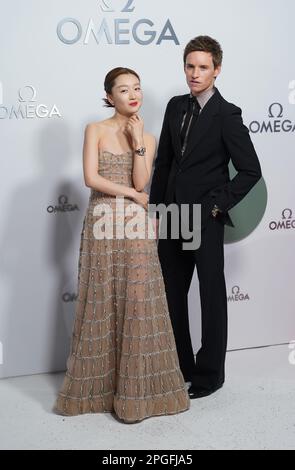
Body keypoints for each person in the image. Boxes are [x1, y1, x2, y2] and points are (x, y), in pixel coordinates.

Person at [54, 67, 190, 423]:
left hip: (136, 226)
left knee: (139, 299)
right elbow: (91, 178)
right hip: (104, 219)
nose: (133, 95)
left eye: (138, 89)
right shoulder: (95, 130)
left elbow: (143, 180)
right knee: (104, 298)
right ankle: (99, 392)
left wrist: (138, 142)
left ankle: (138, 392)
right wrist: (131, 193)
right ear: (109, 96)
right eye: (124, 89)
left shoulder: (147, 135)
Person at [149, 36, 262, 399]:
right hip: (171, 215)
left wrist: (216, 205)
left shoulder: (226, 114)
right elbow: (164, 163)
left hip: (204, 218)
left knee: (211, 297)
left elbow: (249, 171)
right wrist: (155, 210)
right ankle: (180, 365)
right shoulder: (174, 106)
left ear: (216, 70)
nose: (194, 74)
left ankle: (210, 375)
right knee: (171, 295)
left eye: (202, 67)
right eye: (189, 66)